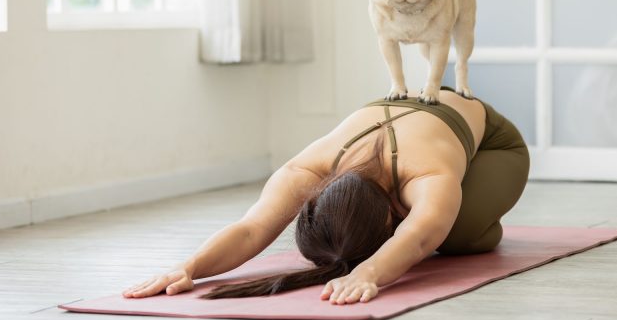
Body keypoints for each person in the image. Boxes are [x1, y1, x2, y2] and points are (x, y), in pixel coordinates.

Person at [122, 86, 530, 305]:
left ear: (392, 217)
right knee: (437, 217)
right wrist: (189, 267)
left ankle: (480, 224)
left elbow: (421, 235)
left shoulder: (425, 172)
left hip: (494, 145)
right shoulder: (307, 170)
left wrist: (368, 271)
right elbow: (251, 229)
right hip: (421, 122)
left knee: (455, 234)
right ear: (316, 198)